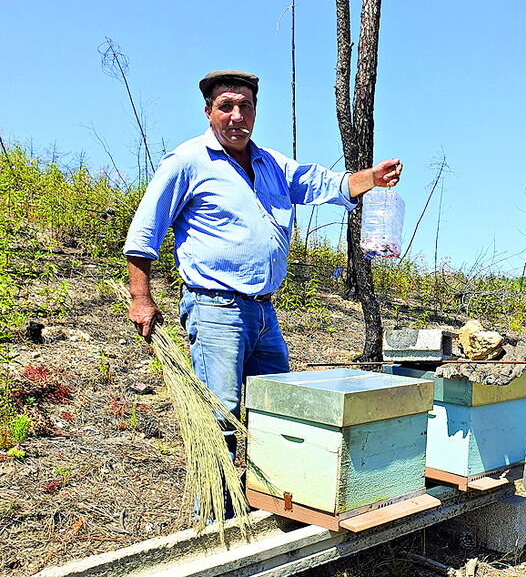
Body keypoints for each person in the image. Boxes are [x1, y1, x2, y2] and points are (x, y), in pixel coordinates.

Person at [123, 70, 402, 459]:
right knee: (220, 413)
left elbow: (322, 183)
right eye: (226, 107)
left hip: (264, 310)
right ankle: (217, 509)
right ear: (209, 112)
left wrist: (369, 178)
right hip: (214, 307)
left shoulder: (271, 163)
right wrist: (141, 298)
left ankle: (265, 498)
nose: (237, 116)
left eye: (245, 106)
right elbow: (144, 232)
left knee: (276, 407)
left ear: (255, 112)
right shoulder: (187, 162)